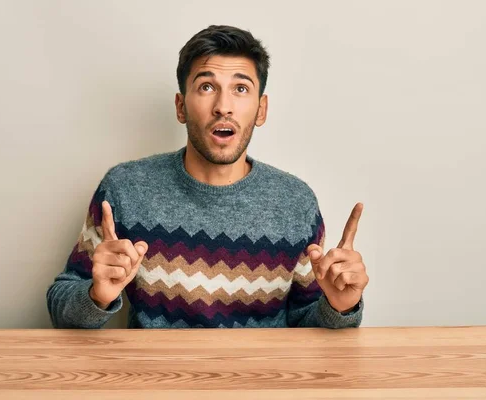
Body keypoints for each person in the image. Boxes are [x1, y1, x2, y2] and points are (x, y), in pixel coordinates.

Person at [46, 25, 369, 329]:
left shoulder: (294, 201)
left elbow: (307, 322)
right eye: (206, 86)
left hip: (261, 383)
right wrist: (97, 296)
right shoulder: (125, 188)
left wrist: (340, 307)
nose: (223, 106)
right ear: (181, 106)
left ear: (261, 110)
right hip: (158, 383)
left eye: (241, 88)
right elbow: (62, 310)